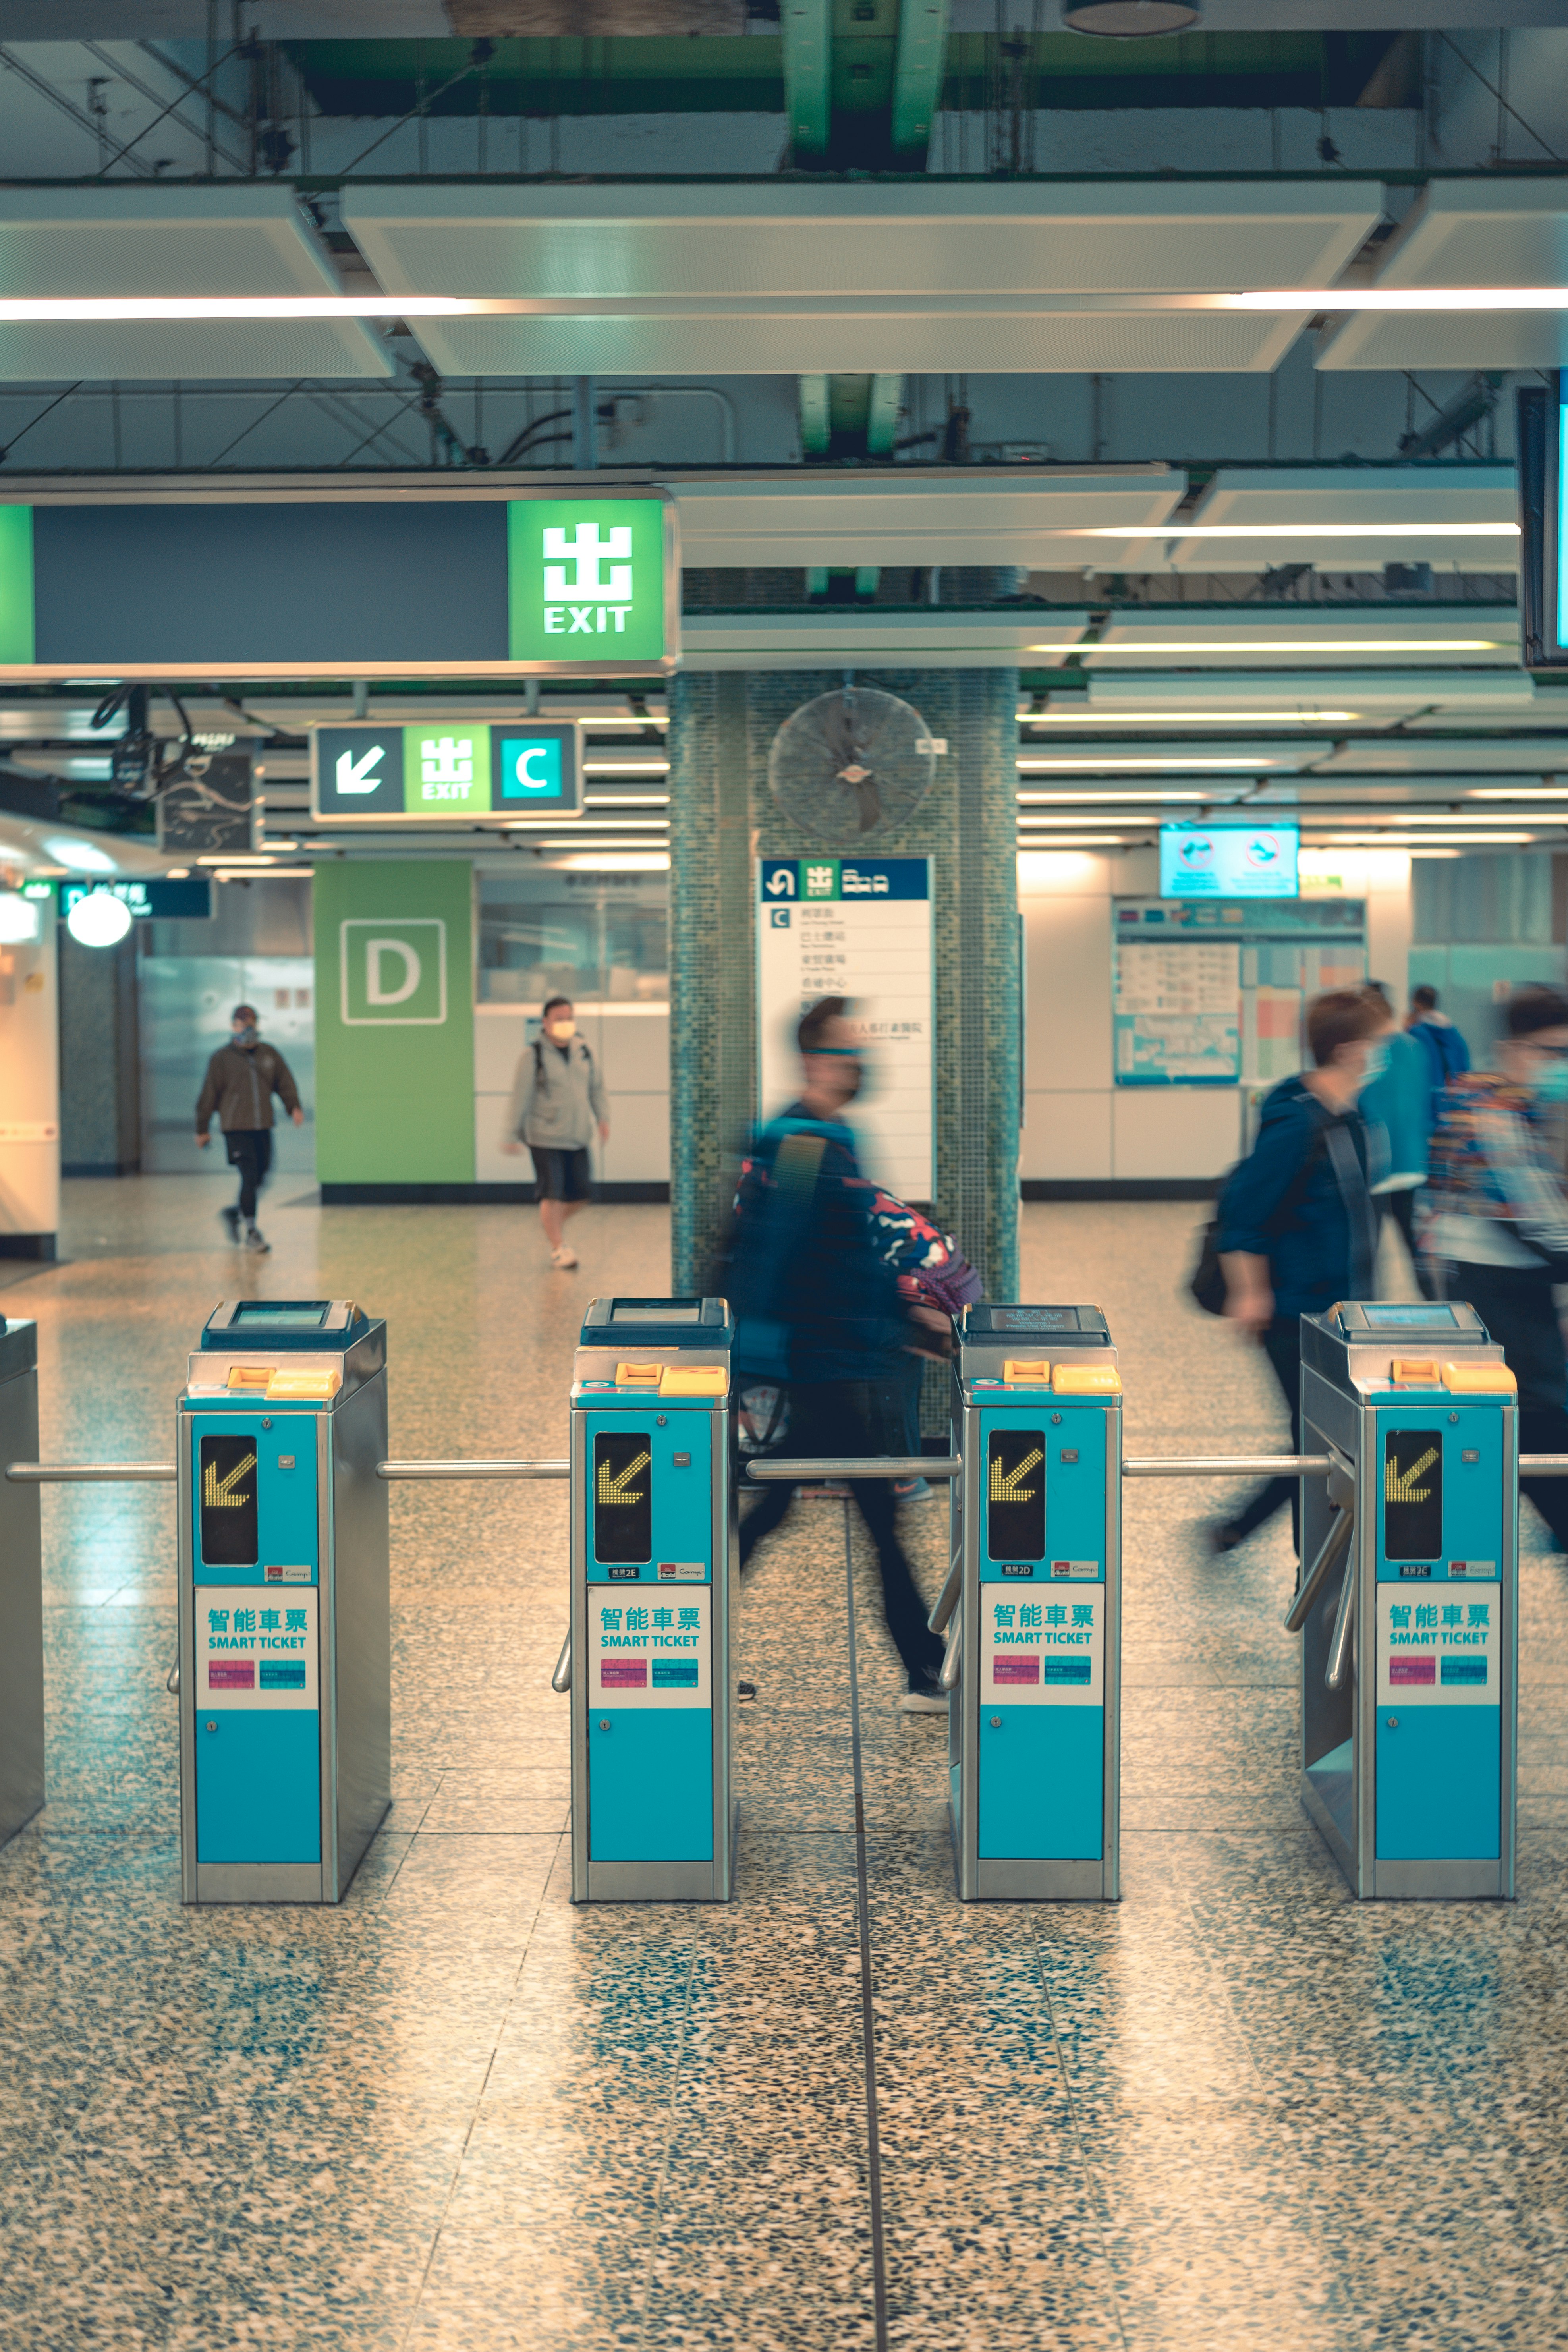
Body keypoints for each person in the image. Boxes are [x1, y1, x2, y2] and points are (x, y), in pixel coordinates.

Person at [727, 996, 952, 1713]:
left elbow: (845, 1259)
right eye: (849, 1047)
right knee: (876, 1520)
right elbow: (776, 1259)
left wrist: (914, 1328)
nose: (861, 1060)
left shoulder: (831, 1138)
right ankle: (924, 1671)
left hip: (828, 1359)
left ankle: (694, 1640)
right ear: (817, 1060)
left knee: (775, 1511)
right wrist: (747, 1364)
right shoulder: (800, 1146)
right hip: (819, 1364)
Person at [1212, 987, 1386, 1557]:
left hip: (1347, 1310)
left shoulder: (1352, 1119)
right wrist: (1251, 1291)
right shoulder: (1297, 1122)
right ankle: (1308, 1561)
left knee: (1327, 1436)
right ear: (1351, 1049)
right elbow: (1245, 1214)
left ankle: (1256, 1532)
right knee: (1322, 1438)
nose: (1386, 1055)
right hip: (1299, 1312)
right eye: (1379, 1044)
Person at [1423, 983, 1568, 1554]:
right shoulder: (1494, 1115)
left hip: (1498, 1284)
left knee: (1528, 1415)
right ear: (1512, 1049)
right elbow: (1540, 1220)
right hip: (1497, 1287)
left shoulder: (1503, 1105)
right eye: (1551, 1052)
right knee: (1538, 1416)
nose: (1560, 1066)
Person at [504, 995, 608, 1270]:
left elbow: (596, 1088)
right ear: (546, 1022)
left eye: (569, 1018)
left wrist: (603, 1118)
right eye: (560, 1019)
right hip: (544, 1135)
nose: (566, 1023)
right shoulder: (533, 1055)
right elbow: (520, 1097)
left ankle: (551, 1224)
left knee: (582, 1195)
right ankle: (558, 1246)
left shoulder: (583, 1050)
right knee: (552, 1193)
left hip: (577, 1134)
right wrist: (511, 1134)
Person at [195, 1002, 305, 1255]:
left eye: (252, 1023)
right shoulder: (221, 1059)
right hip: (236, 1128)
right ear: (234, 1026)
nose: (248, 1028)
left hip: (262, 1126)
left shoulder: (268, 1054)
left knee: (263, 1175)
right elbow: (209, 1094)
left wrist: (294, 1107)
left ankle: (234, 1213)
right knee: (249, 1177)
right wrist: (202, 1128)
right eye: (243, 1024)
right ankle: (252, 1231)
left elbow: (284, 1082)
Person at [1359, 979, 1439, 1298]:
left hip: (1373, 1169)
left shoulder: (1362, 1055)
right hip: (1414, 1165)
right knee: (1419, 1253)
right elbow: (1427, 1105)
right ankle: (1440, 1315)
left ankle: (1359, 1321)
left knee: (1363, 1257)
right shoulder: (1415, 1047)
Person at [1406, 984, 1471, 1129]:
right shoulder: (1452, 1031)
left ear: (1415, 1003)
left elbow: (1412, 1071)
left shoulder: (1417, 1033)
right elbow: (1464, 1065)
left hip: (1428, 1102)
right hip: (1454, 1099)